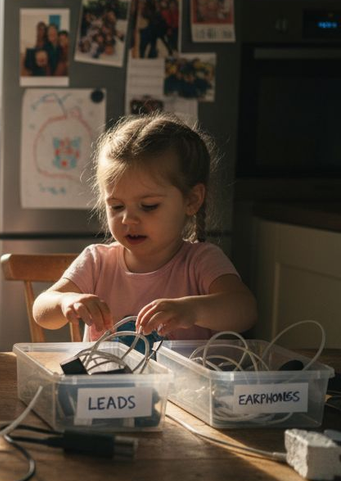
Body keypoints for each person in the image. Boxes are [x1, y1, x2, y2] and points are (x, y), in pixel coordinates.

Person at [33, 114, 256, 341]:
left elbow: (245, 310)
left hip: (185, 378)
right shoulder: (97, 262)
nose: (128, 219)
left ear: (192, 200)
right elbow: (41, 310)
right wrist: (65, 301)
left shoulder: (201, 261)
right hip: (106, 377)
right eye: (117, 206)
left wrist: (193, 310)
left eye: (148, 206)